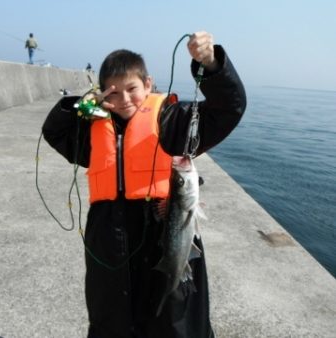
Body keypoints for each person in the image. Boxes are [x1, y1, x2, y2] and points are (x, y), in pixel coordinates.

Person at [42, 31, 246, 338]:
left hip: (164, 228)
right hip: (108, 238)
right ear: (101, 94)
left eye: (132, 89)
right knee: (112, 317)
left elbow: (228, 107)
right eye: (113, 92)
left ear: (148, 84)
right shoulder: (93, 129)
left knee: (173, 318)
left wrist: (212, 64)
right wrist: (80, 106)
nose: (124, 99)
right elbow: (55, 132)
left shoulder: (172, 120)